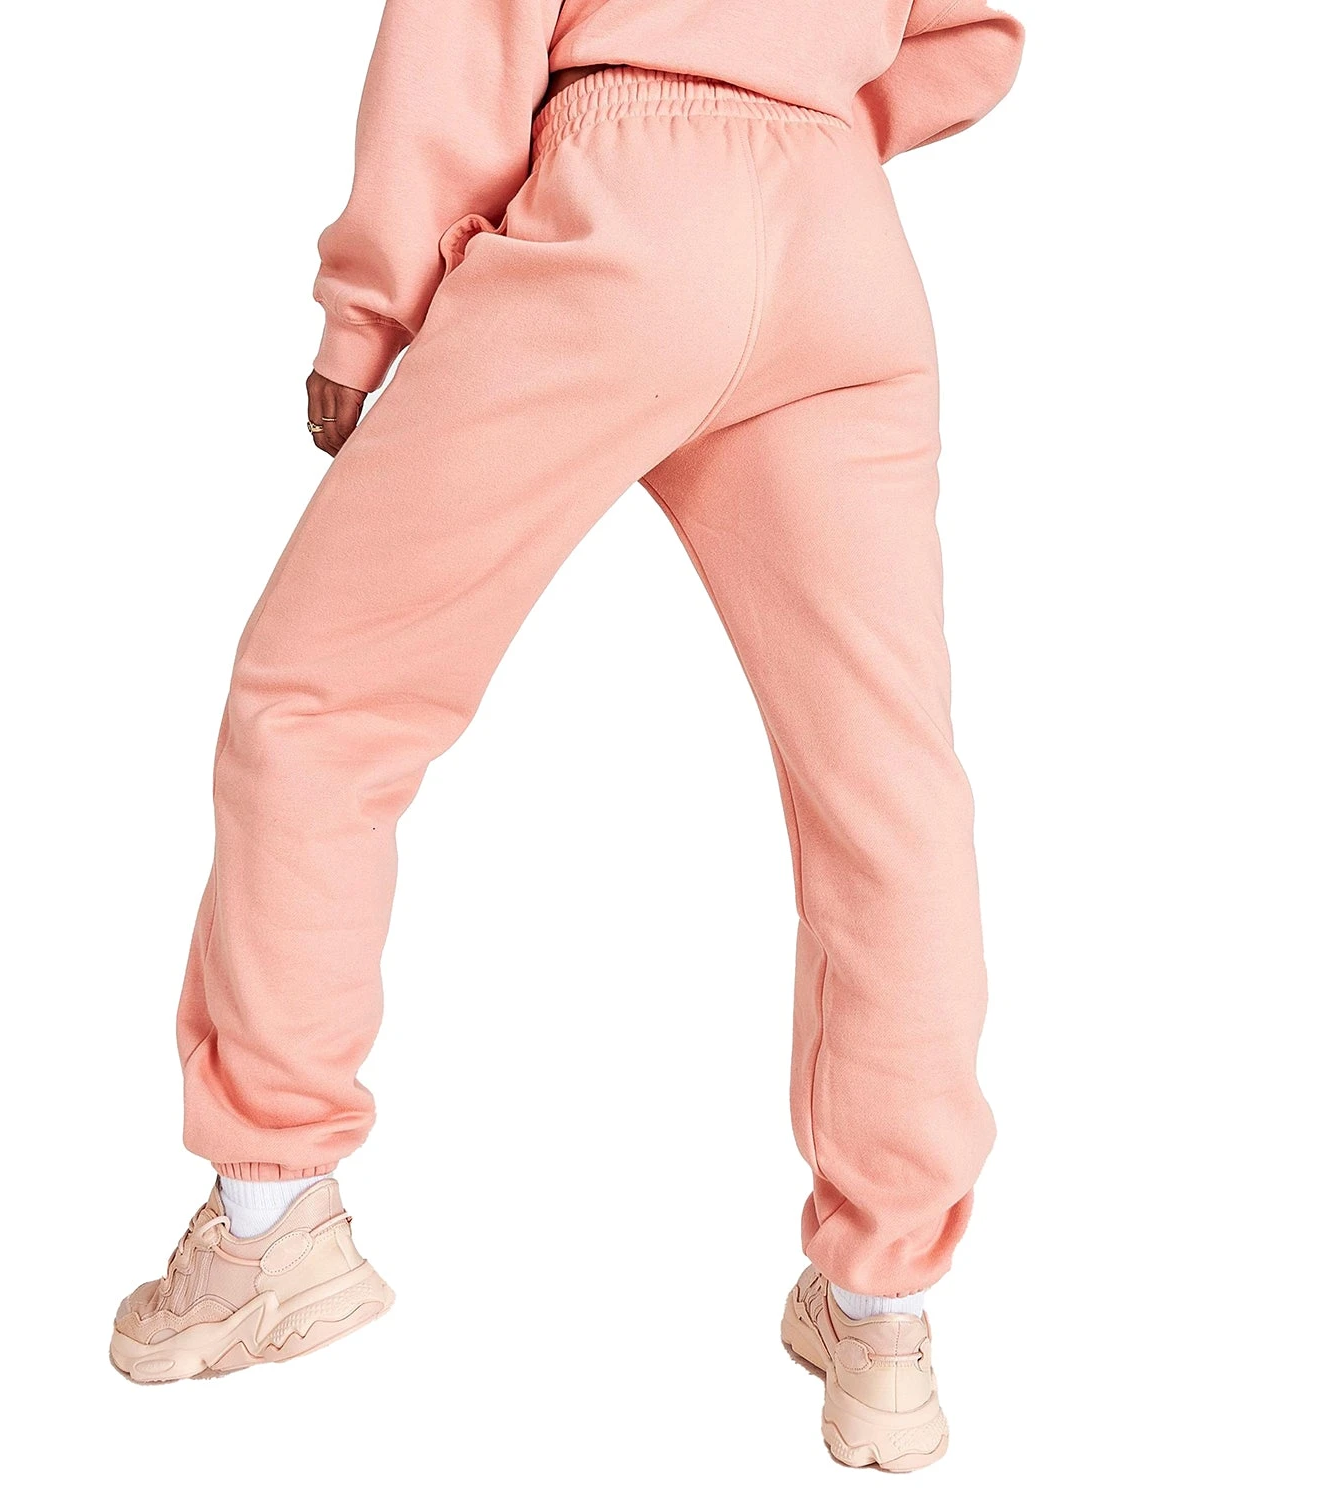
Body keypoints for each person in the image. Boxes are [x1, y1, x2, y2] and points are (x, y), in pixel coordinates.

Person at [110, 0, 1023, 1472]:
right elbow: (970, 33)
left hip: (625, 204)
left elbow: (465, 32)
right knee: (885, 793)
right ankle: (884, 1311)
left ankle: (271, 1218)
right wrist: (802, 116)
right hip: (845, 245)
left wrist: (368, 309)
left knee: (321, 703)